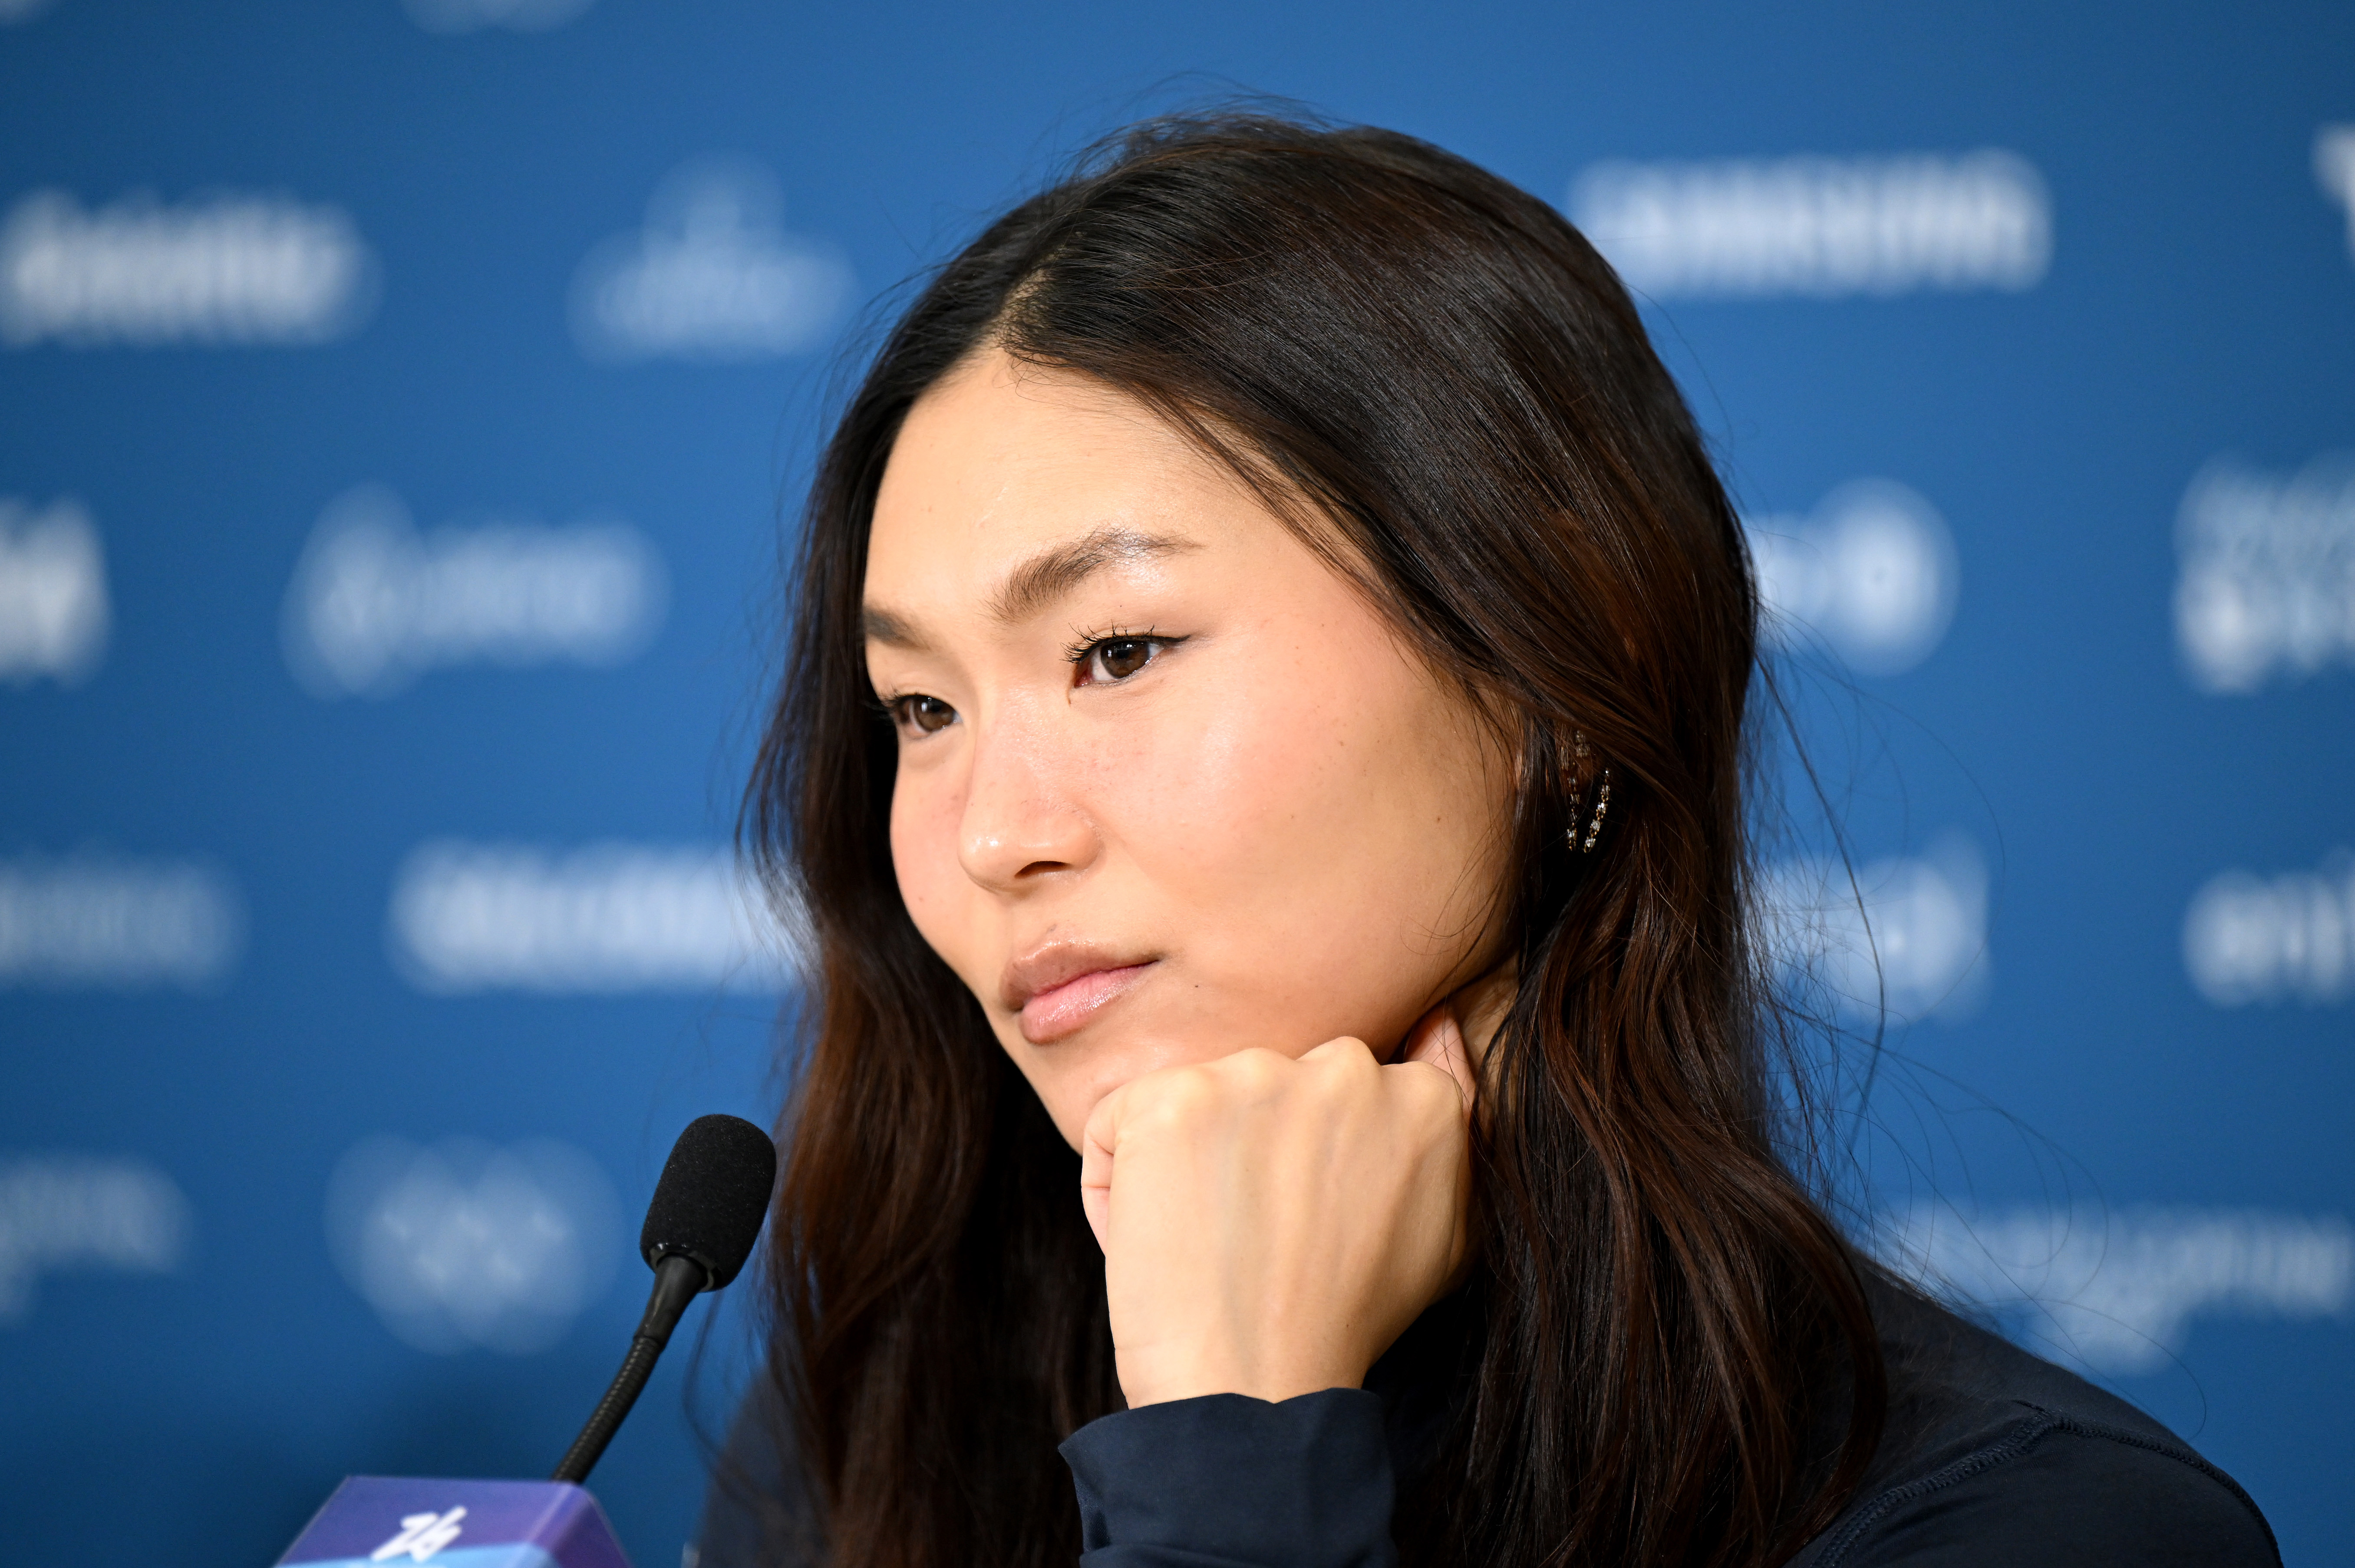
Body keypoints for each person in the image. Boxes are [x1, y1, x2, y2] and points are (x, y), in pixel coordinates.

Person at [703, 113, 2279, 1568]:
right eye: (921, 709)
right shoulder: (857, 1436)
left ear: (1552, 671)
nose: (992, 835)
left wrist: (1236, 1455)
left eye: (1117, 651)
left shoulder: (2038, 1523)